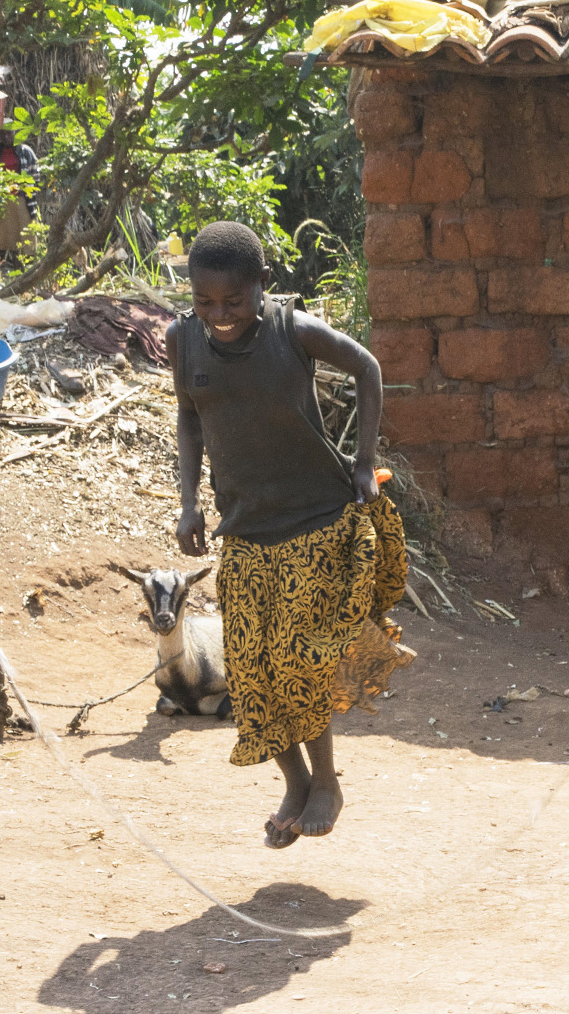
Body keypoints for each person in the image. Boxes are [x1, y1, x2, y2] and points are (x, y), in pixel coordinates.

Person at [167, 221, 414, 850]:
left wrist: (362, 461)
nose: (219, 315)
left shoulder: (291, 331)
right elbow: (190, 418)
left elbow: (367, 366)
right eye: (205, 302)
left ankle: (327, 782)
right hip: (245, 529)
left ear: (262, 288)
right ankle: (295, 783)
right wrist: (190, 502)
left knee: (300, 661)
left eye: (233, 301)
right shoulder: (183, 341)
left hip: (315, 523)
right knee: (252, 672)